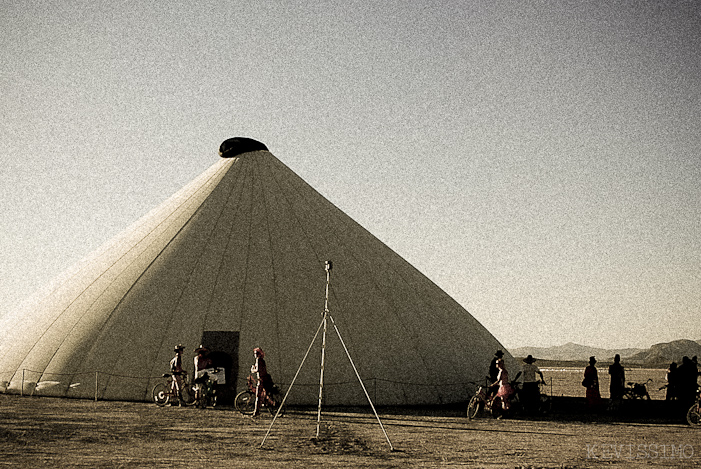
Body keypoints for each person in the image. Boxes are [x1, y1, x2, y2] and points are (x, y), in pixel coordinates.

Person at [251, 347, 275, 417]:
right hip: (265, 379)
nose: (255, 355)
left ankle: (256, 412)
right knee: (264, 394)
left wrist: (253, 369)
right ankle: (267, 404)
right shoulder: (262, 360)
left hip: (261, 380)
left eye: (256, 353)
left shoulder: (258, 360)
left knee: (258, 396)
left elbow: (258, 370)